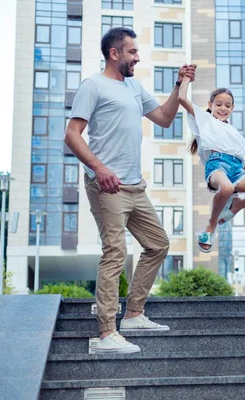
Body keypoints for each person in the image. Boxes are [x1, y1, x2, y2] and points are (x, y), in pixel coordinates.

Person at [65, 27, 195, 354]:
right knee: (115, 252)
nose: (138, 57)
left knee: (158, 244)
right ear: (114, 54)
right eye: (132, 52)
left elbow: (165, 118)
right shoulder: (93, 85)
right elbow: (73, 134)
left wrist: (179, 84)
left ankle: (134, 312)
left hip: (135, 185)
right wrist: (99, 168)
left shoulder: (134, 87)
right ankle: (107, 332)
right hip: (107, 185)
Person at [178, 69, 245, 253]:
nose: (223, 109)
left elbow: (244, 164)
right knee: (227, 188)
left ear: (232, 108)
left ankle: (238, 204)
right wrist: (185, 79)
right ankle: (211, 226)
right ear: (211, 105)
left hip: (236, 170)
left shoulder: (235, 134)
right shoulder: (205, 120)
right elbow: (182, 99)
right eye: (219, 104)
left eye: (228, 106)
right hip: (216, 165)